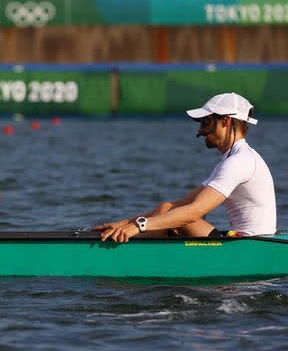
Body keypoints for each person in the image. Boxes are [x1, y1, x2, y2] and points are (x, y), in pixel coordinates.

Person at [95, 92, 276, 242]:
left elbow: (193, 212)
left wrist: (139, 226)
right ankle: (124, 238)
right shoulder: (233, 159)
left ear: (226, 121)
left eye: (206, 123)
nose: (200, 132)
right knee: (167, 208)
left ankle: (127, 253)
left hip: (252, 245)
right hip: (242, 241)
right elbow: (180, 205)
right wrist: (124, 222)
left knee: (173, 216)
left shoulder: (239, 162)